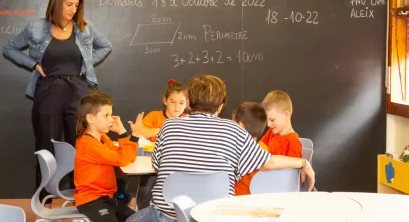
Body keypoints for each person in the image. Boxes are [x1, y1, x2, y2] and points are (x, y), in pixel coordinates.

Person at [126, 75, 315, 222]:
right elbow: (268, 161)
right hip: (213, 216)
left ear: (189, 103)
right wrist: (303, 162)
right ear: (221, 106)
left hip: (165, 216)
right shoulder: (234, 130)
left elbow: (157, 165)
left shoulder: (168, 126)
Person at [2, 0, 112, 204]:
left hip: (78, 93)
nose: (73, 9)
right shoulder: (36, 28)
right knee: (46, 146)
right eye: (69, 4)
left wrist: (87, 65)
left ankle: (82, 198)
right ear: (56, 2)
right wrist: (32, 64)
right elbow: (9, 48)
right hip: (48, 90)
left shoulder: (84, 28)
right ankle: (45, 201)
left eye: (77, 5)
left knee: (80, 147)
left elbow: (106, 46)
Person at [74, 91, 143, 222]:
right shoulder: (88, 144)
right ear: (90, 118)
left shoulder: (103, 138)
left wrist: (122, 133)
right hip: (92, 200)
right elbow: (122, 159)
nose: (112, 119)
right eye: (106, 115)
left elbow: (128, 157)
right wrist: (134, 137)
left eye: (111, 114)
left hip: (109, 198)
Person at [136, 79, 188, 211]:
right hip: (151, 165)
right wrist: (164, 129)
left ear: (187, 104)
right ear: (165, 101)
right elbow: (140, 132)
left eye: (181, 103)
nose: (177, 107)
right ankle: (144, 212)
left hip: (178, 166)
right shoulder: (154, 116)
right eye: (173, 102)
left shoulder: (187, 120)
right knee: (146, 188)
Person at [231, 102, 269, 196]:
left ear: (241, 126)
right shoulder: (264, 149)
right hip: (256, 200)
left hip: (235, 200)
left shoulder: (235, 148)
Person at [260, 91, 302, 158]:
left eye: (272, 120)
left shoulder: (293, 141)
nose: (268, 124)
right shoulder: (271, 132)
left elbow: (294, 167)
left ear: (286, 115)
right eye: (266, 120)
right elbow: (259, 150)